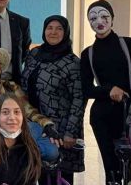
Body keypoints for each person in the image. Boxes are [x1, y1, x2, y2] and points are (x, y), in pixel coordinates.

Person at [80, 0, 131, 184]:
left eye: (104, 16)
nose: (99, 21)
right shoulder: (88, 54)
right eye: (93, 18)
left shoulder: (129, 44)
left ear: (112, 19)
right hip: (102, 116)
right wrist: (108, 90)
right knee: (111, 168)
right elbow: (86, 89)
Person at [21, 15, 85, 184]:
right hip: (34, 124)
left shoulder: (72, 63)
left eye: (59, 28)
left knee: (60, 177)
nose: (53, 32)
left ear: (66, 32)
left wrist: (71, 132)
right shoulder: (34, 54)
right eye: (49, 28)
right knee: (37, 172)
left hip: (60, 129)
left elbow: (78, 99)